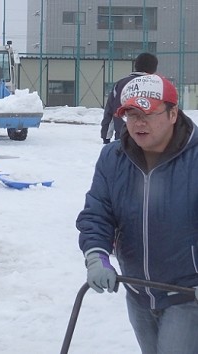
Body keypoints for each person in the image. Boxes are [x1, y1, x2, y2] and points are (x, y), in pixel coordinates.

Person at [77, 74, 198, 354]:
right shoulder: (114, 157)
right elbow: (98, 212)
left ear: (172, 114)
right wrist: (96, 256)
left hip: (186, 296)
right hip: (137, 291)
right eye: (131, 114)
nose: (138, 123)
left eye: (147, 113)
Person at [101, 52, 158, 144]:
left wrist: (106, 137)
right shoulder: (158, 85)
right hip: (150, 140)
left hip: (122, 139)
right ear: (154, 68)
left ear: (136, 65)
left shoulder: (120, 84)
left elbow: (110, 112)